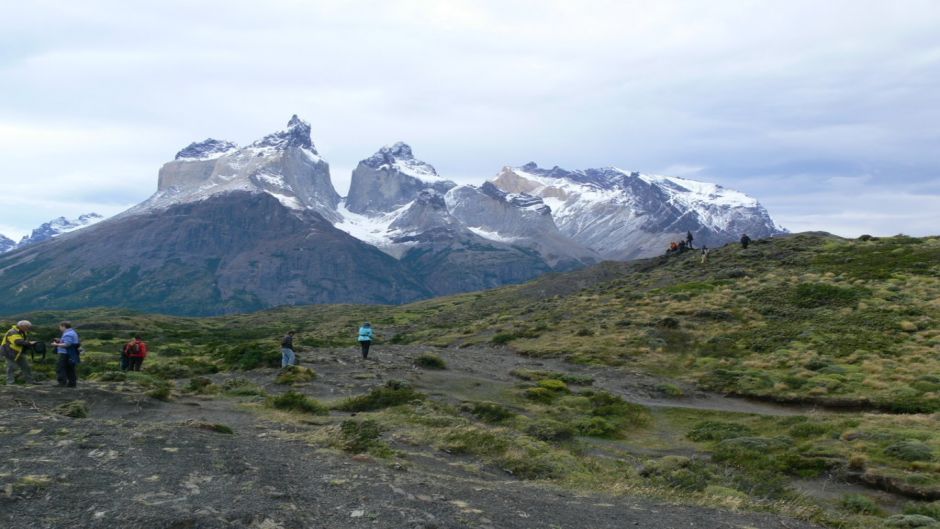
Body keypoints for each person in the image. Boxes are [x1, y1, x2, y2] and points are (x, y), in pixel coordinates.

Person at [2, 320, 37, 385]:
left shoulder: (22, 332)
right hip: (9, 352)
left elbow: (22, 341)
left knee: (26, 367)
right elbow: (17, 341)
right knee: (11, 367)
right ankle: (10, 383)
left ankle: (30, 381)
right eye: (27, 327)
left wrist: (28, 343)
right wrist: (29, 343)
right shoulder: (12, 332)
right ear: (22, 326)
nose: (28, 328)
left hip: (18, 352)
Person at [52, 321, 80, 388]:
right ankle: (72, 383)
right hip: (71, 353)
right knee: (70, 368)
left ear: (63, 326)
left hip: (65, 353)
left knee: (61, 368)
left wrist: (56, 344)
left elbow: (67, 344)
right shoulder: (72, 332)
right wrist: (60, 340)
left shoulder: (68, 334)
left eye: (60, 327)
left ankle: (62, 383)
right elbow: (69, 342)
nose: (59, 328)